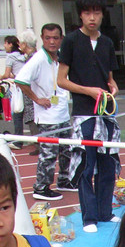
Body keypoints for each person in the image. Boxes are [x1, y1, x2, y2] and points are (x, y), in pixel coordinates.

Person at [58, 0, 121, 233]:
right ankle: (89, 217)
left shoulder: (107, 43)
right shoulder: (71, 41)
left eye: (96, 12)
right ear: (80, 15)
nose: (92, 17)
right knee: (86, 165)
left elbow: (110, 78)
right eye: (87, 12)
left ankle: (105, 212)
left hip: (106, 114)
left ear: (103, 14)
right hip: (83, 113)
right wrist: (88, 91)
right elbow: (61, 80)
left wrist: (113, 88)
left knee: (107, 164)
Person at [16, 23, 79, 202]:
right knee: (49, 153)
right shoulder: (38, 59)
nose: (52, 42)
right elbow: (20, 80)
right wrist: (37, 99)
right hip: (47, 117)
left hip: (62, 113)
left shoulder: (60, 58)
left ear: (61, 39)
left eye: (56, 38)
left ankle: (64, 180)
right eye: (48, 38)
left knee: (67, 150)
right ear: (42, 39)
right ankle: (41, 187)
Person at [0, 34, 27, 145]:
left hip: (19, 87)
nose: (4, 46)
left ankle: (18, 142)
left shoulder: (10, 57)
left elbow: (6, 74)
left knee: (17, 114)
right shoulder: (23, 55)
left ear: (10, 44)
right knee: (30, 114)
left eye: (5, 43)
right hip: (28, 85)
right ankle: (36, 141)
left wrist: (0, 77)